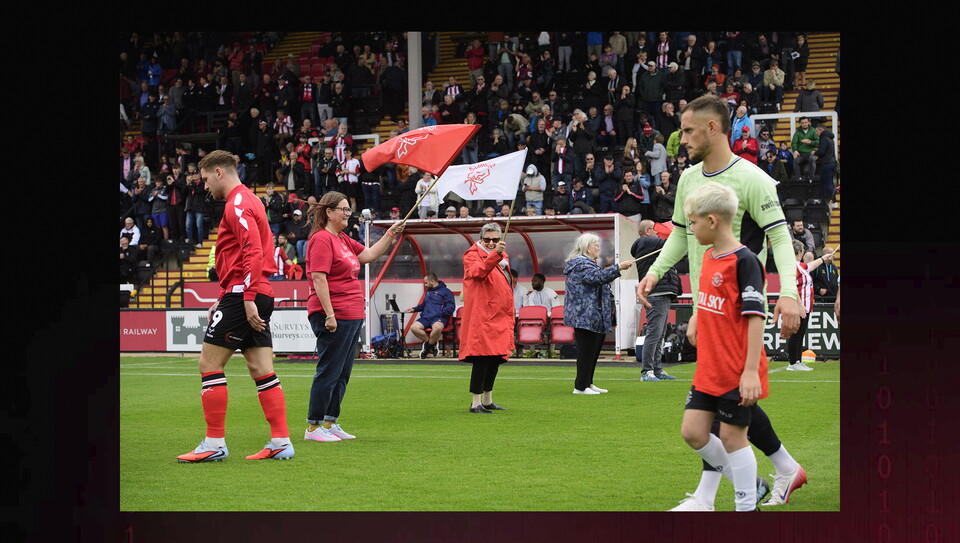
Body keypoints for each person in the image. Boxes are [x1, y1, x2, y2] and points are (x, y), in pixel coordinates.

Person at [637, 95, 807, 510]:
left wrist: (788, 292)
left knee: (724, 402)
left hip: (739, 311)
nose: (682, 139)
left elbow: (780, 237)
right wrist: (656, 271)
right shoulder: (688, 179)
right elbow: (681, 234)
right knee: (721, 399)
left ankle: (712, 496)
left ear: (713, 128)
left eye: (688, 130)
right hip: (706, 305)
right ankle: (781, 470)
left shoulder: (753, 179)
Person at [176, 150, 294, 463]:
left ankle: (214, 443)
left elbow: (252, 250)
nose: (204, 187)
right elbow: (241, 254)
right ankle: (281, 441)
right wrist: (229, 294)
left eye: (205, 179)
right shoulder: (250, 200)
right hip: (254, 290)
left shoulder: (238, 203)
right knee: (261, 369)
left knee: (208, 364)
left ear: (219, 172)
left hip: (246, 293)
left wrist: (246, 296)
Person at [678, 181, 767, 512]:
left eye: (693, 222)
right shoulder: (709, 256)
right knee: (693, 432)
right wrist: (696, 317)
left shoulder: (745, 261)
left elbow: (755, 317)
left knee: (732, 437)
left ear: (712, 220)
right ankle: (751, 485)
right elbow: (710, 300)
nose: (692, 229)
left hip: (735, 368)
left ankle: (746, 507)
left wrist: (750, 371)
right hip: (709, 367)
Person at [303, 191, 404, 441]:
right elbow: (319, 278)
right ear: (329, 212)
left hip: (351, 314)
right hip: (334, 314)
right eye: (344, 209)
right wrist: (329, 314)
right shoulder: (321, 239)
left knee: (342, 373)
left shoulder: (343, 239)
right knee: (329, 371)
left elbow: (368, 255)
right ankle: (314, 427)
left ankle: (330, 422)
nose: (348, 213)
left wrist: (390, 234)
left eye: (349, 209)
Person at [563, 233, 633, 394]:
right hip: (584, 315)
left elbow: (598, 277)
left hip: (593, 315)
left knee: (592, 351)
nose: (599, 249)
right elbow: (599, 277)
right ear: (588, 248)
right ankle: (580, 386)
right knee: (586, 352)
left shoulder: (587, 264)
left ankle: (588, 383)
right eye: (596, 245)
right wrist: (618, 267)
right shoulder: (581, 264)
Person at [459, 223, 515, 413]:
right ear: (481, 239)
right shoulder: (471, 255)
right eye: (487, 239)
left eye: (495, 240)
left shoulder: (503, 257)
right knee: (481, 358)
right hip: (483, 316)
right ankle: (475, 402)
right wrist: (496, 254)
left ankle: (488, 399)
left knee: (495, 358)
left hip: (499, 315)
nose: (491, 243)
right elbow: (478, 272)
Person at [630, 219, 681, 382]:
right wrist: (679, 234)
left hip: (661, 292)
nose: (658, 233)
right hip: (657, 292)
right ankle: (647, 371)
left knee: (659, 334)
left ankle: (657, 369)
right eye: (655, 229)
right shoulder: (647, 242)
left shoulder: (648, 245)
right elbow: (671, 245)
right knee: (654, 333)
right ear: (647, 231)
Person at [786, 240, 835, 372]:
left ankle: (798, 360)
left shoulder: (801, 266)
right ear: (799, 252)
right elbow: (792, 287)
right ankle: (793, 362)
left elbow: (811, 265)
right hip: (799, 306)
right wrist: (800, 305)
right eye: (802, 251)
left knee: (801, 333)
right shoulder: (793, 267)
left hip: (807, 306)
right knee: (796, 333)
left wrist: (823, 258)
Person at [405, 272, 456, 359]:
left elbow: (451, 307)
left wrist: (440, 313)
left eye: (426, 283)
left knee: (438, 328)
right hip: (426, 318)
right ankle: (432, 343)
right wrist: (414, 309)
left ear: (432, 281)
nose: (425, 285)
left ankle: (426, 348)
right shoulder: (428, 292)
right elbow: (424, 305)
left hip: (438, 318)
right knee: (414, 327)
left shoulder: (446, 292)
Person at [814, 124, 838, 204]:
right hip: (832, 163)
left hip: (826, 164)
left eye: (817, 131)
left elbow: (822, 151)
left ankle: (834, 201)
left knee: (828, 184)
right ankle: (820, 199)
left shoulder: (824, 139)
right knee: (823, 183)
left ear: (821, 130)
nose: (816, 133)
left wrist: (815, 152)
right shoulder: (830, 139)